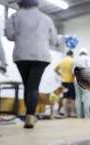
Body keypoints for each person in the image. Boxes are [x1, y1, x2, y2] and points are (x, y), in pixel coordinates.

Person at [5, 0, 58, 128]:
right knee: (33, 86)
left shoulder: (15, 16)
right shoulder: (46, 18)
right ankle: (30, 116)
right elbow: (54, 39)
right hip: (41, 56)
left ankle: (28, 115)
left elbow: (10, 35)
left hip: (22, 55)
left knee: (27, 85)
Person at [55, 50, 76, 117]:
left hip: (63, 82)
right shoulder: (73, 61)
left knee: (65, 97)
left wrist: (61, 74)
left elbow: (55, 69)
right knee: (72, 98)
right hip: (71, 81)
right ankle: (72, 113)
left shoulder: (62, 61)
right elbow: (75, 71)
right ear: (72, 54)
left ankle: (66, 113)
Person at [74, 48, 90, 118]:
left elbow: (72, 71)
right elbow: (89, 70)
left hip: (76, 80)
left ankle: (79, 115)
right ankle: (87, 115)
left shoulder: (76, 59)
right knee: (87, 97)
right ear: (86, 52)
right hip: (85, 80)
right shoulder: (88, 58)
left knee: (78, 97)